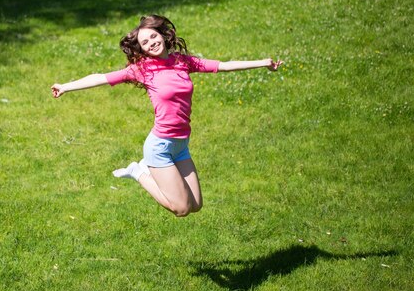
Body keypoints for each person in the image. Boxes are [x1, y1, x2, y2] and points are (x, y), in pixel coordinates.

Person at [51, 15, 283, 217]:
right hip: (160, 146)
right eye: (144, 42)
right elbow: (100, 77)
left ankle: (143, 171)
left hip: (181, 144)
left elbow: (223, 65)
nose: (151, 43)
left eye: (153, 37)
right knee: (181, 209)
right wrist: (66, 86)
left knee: (196, 205)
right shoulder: (141, 70)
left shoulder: (183, 62)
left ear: (162, 35)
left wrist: (263, 63)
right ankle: (138, 172)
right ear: (140, 49)